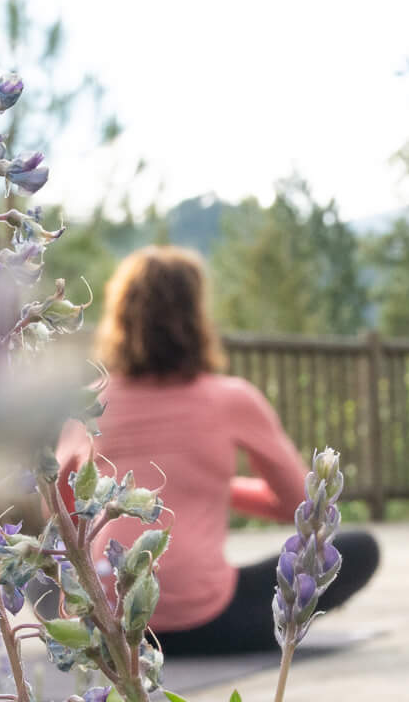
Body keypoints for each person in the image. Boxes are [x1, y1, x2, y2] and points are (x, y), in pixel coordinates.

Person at [59, 246, 378, 656]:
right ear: (197, 318)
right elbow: (303, 506)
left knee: (37, 576)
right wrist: (216, 486)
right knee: (358, 549)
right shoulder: (229, 398)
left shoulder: (86, 401)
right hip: (206, 622)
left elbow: (63, 516)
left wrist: (200, 487)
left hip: (104, 625)